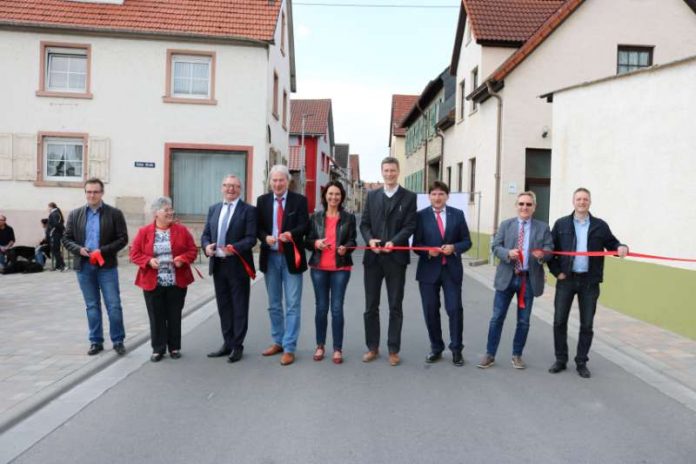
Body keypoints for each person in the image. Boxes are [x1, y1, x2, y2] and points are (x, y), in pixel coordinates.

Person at [548, 187, 628, 378]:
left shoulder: (600, 226)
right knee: (559, 321)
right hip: (566, 279)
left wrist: (621, 247)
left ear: (590, 202)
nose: (582, 202)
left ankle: (581, 361)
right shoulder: (561, 224)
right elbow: (550, 250)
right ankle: (561, 359)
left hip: (589, 282)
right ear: (573, 202)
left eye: (585, 199)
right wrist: (557, 272)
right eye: (579, 199)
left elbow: (613, 244)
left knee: (587, 324)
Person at [478, 191, 553, 370]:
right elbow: (495, 246)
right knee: (497, 318)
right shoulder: (506, 225)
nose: (524, 207)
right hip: (507, 278)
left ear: (534, 207)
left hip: (528, 279)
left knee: (524, 321)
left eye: (528, 204)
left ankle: (517, 355)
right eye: (521, 204)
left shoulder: (542, 228)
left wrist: (542, 255)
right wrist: (507, 253)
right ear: (516, 206)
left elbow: (550, 248)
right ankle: (490, 354)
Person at [360, 156, 417, 366]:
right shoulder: (372, 196)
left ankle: (393, 349)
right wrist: (369, 240)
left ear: (398, 171)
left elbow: (410, 226)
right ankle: (372, 347)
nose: (389, 174)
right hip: (373, 258)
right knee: (370, 306)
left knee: (395, 305)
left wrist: (395, 241)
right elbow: (364, 224)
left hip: (396, 258)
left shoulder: (409, 197)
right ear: (381, 172)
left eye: (393, 170)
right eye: (386, 170)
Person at [62, 178, 128, 356]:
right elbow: (66, 239)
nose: (92, 195)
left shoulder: (114, 214)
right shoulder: (75, 215)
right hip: (84, 267)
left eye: (95, 192)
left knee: (113, 305)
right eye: (89, 192)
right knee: (92, 306)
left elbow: (123, 239)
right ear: (85, 193)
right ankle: (96, 341)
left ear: (102, 193)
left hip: (106, 266)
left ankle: (118, 340)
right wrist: (79, 249)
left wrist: (103, 251)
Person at [130, 197, 198, 362]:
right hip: (153, 282)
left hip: (176, 281)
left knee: (174, 314)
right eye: (166, 210)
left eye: (171, 209)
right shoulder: (144, 232)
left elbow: (193, 250)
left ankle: (174, 347)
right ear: (156, 213)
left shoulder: (181, 230)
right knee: (156, 315)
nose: (170, 213)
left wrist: (182, 258)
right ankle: (158, 348)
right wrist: (148, 261)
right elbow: (134, 253)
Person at [413, 181, 472, 366]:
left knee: (454, 310)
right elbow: (416, 244)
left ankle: (456, 349)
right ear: (429, 196)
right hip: (428, 271)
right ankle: (436, 348)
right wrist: (427, 251)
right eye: (434, 194)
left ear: (447, 196)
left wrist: (454, 247)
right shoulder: (420, 216)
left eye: (441, 194)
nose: (437, 198)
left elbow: (467, 241)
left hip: (451, 270)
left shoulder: (457, 214)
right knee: (430, 311)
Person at [202, 175, 257, 363]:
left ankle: (237, 345)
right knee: (224, 306)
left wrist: (235, 248)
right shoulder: (214, 209)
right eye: (226, 186)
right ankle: (227, 342)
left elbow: (251, 238)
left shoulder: (248, 211)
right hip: (218, 265)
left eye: (234, 186)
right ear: (221, 188)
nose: (230, 189)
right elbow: (206, 235)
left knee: (239, 306)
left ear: (240, 189)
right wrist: (207, 246)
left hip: (238, 265)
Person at [257, 165, 309, 366]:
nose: (278, 184)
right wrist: (265, 237)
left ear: (288, 182)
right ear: (270, 182)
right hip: (270, 257)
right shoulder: (262, 201)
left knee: (293, 304)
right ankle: (277, 340)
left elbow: (305, 225)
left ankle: (289, 347)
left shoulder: (299, 201)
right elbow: (258, 227)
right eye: (274, 180)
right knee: (274, 304)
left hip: (291, 259)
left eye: (281, 180)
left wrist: (292, 234)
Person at [305, 181, 357, 364]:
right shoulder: (315, 218)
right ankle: (320, 345)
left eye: (337, 194)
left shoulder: (349, 218)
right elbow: (307, 240)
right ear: (325, 196)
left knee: (336, 308)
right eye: (330, 194)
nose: (333, 197)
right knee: (321, 307)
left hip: (341, 268)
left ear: (341, 197)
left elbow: (352, 240)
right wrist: (315, 244)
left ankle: (337, 349)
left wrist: (346, 248)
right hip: (319, 268)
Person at [47, 202, 66, 271]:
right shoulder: (56, 213)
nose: (47, 209)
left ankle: (62, 265)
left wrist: (51, 232)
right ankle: (57, 266)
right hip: (56, 234)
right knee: (55, 250)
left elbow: (56, 224)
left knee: (56, 250)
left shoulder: (54, 214)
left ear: (51, 207)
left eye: (48, 207)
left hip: (55, 234)